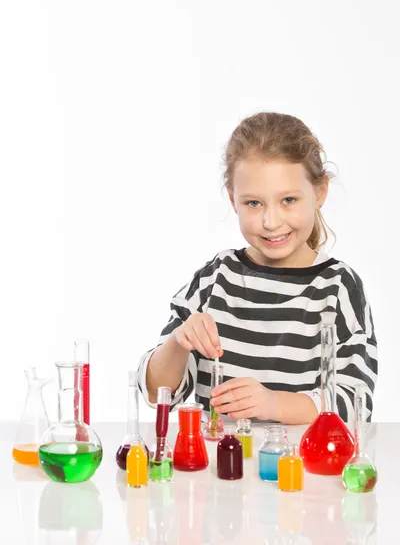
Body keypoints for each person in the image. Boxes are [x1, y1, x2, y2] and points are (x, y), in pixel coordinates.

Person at [137, 112, 378, 424]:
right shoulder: (214, 279)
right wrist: (178, 341)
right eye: (254, 203)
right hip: (218, 470)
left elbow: (356, 402)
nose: (271, 221)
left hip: (302, 471)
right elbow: (157, 393)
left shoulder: (337, 287)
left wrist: (274, 404)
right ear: (233, 199)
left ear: (319, 193)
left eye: (288, 200)